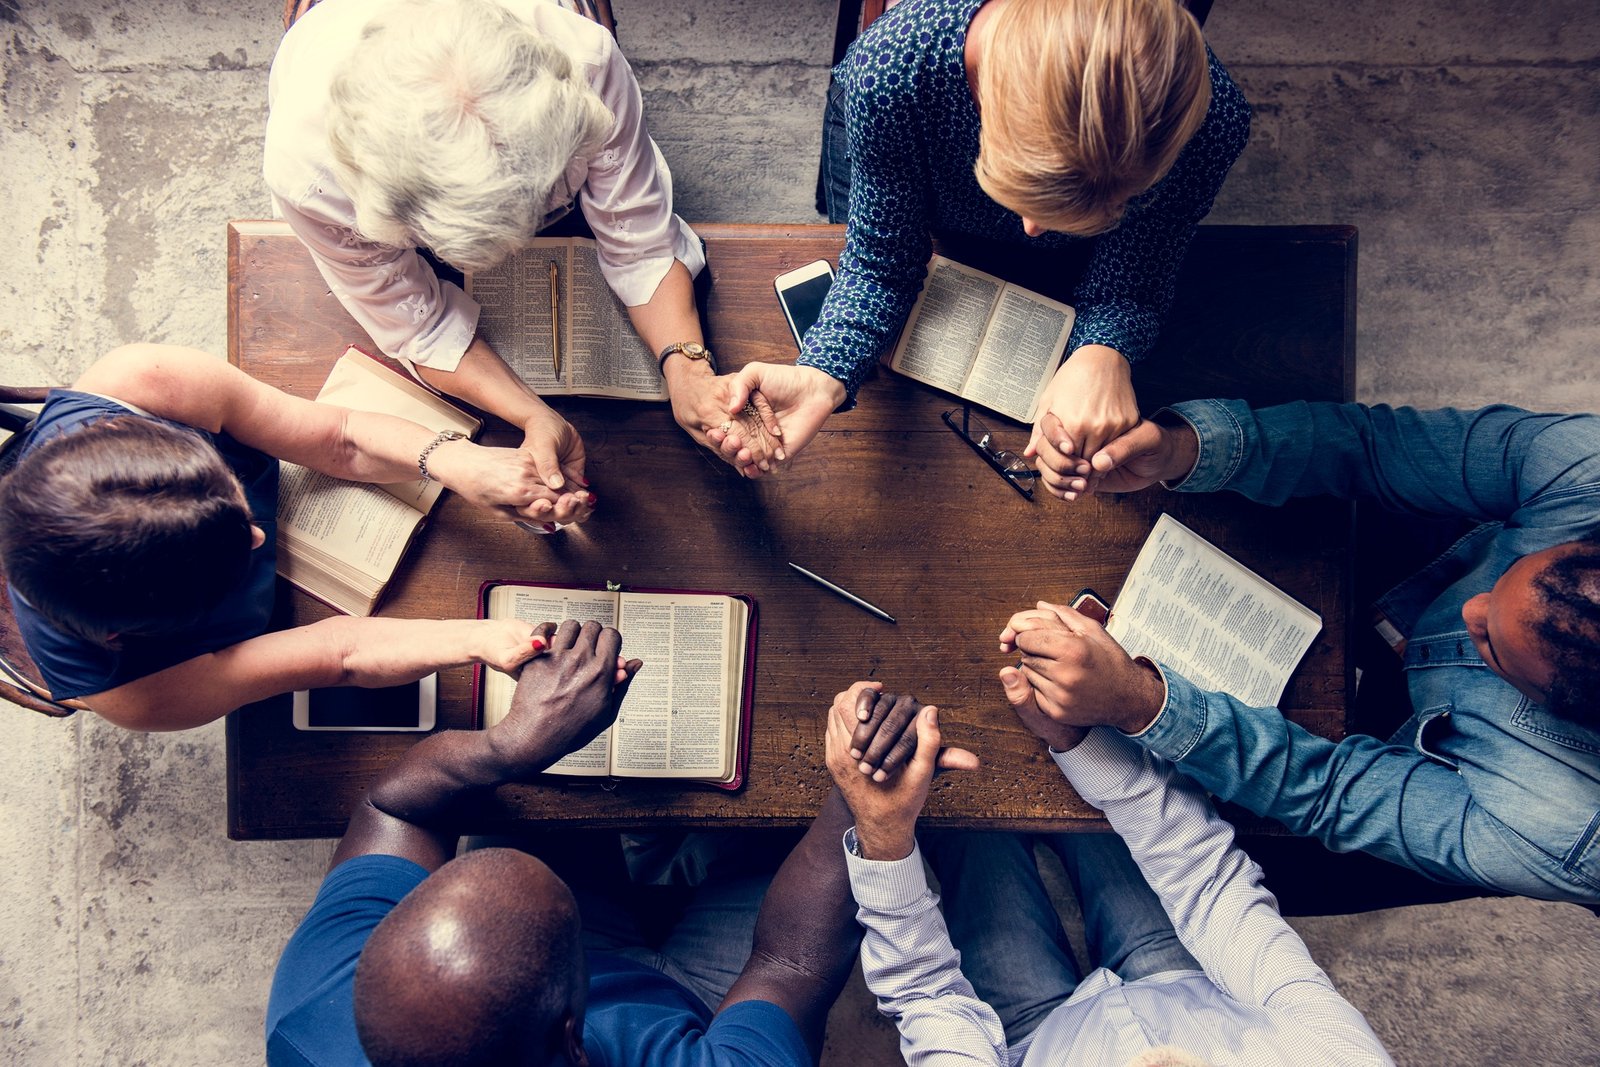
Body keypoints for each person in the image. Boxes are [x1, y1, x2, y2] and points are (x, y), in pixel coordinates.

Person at [1002, 398, 1600, 904]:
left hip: (1453, 784)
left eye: (1492, 645)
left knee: (1251, 867)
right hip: (1431, 561)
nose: (1471, 609)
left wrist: (1141, 704)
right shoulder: (1587, 473)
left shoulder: (1561, 832)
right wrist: (1187, 448)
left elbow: (1330, 792)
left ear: (1556, 707)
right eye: (1506, 576)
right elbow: (1375, 446)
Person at [267, 619, 863, 1066]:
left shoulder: (317, 1017)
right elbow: (789, 964)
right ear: (575, 1039)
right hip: (708, 1003)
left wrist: (511, 746)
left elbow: (391, 808)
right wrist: (863, 791)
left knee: (534, 806)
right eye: (572, 932)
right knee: (785, 830)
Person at [709, 0, 1250, 484]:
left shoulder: (1214, 122)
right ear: (985, 96)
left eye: (1109, 204)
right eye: (1023, 191)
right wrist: (822, 373)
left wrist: (1103, 351)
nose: (1034, 232)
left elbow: (1141, 263)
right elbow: (881, 258)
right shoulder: (892, 70)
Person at [266, 0, 766, 492]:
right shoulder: (307, 175)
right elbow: (420, 325)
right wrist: (534, 415)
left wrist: (688, 371)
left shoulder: (585, 55)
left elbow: (640, 241)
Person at [0, 344, 577, 731]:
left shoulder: (139, 384)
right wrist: (486, 639)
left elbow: (340, 436)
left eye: (226, 491)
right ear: (124, 633)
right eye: (225, 563)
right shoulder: (137, 694)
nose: (256, 534)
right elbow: (339, 655)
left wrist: (456, 461)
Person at [827, 678, 1394, 1065]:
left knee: (968, 821)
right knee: (1100, 803)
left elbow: (927, 994)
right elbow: (1210, 885)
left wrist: (885, 833)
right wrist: (1079, 740)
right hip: (1184, 981)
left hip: (1032, 1039)